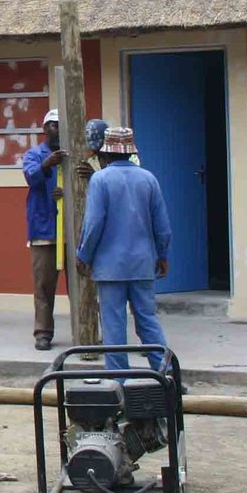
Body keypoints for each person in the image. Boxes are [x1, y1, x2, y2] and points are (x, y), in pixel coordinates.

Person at [75, 126, 173, 373]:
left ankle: (118, 378)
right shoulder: (149, 179)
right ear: (131, 153)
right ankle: (167, 373)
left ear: (105, 153)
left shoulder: (100, 180)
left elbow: (93, 224)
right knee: (148, 321)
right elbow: (162, 226)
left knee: (114, 325)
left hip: (110, 267)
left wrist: (83, 255)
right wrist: (162, 255)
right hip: (142, 263)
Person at [22, 109, 65, 351]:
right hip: (44, 230)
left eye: (62, 125)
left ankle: (86, 333)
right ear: (45, 129)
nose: (59, 130)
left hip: (71, 232)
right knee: (43, 286)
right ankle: (43, 332)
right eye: (54, 125)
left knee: (82, 285)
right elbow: (31, 177)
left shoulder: (73, 153)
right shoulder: (34, 155)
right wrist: (46, 165)